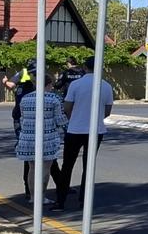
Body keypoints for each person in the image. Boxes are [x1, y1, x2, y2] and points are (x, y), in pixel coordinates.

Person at [55, 59, 114, 210]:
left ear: (85, 68)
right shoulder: (106, 86)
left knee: (67, 165)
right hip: (96, 130)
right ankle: (84, 200)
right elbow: (107, 111)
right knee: (88, 166)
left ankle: (60, 201)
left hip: (75, 129)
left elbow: (67, 107)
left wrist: (74, 118)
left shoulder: (76, 85)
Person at [14, 75, 66, 205]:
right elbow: (60, 120)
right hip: (47, 137)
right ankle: (41, 196)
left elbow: (22, 116)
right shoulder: (54, 98)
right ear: (49, 84)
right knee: (45, 168)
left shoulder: (26, 98)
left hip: (28, 137)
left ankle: (32, 196)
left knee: (32, 168)